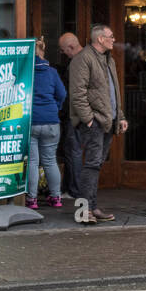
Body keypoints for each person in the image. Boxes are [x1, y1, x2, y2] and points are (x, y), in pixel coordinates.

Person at [69, 23, 128, 223]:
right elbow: (78, 94)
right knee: (92, 165)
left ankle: (92, 208)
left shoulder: (108, 60)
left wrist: (120, 117)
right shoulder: (83, 59)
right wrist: (88, 120)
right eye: (110, 36)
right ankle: (83, 212)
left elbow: (112, 93)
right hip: (94, 122)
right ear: (100, 39)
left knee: (96, 165)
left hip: (107, 121)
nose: (113, 39)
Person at [27, 38, 67, 209]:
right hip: (51, 121)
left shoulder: (26, 72)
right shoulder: (52, 72)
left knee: (33, 163)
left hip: (31, 121)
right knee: (50, 161)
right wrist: (55, 108)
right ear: (43, 52)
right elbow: (62, 93)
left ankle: (31, 199)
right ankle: (56, 197)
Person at [55, 32, 83, 196]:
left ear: (71, 47)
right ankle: (68, 188)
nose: (63, 53)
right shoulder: (85, 59)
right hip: (75, 114)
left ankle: (74, 190)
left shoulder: (77, 63)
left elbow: (74, 93)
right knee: (70, 150)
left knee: (73, 151)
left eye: (63, 50)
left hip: (75, 115)